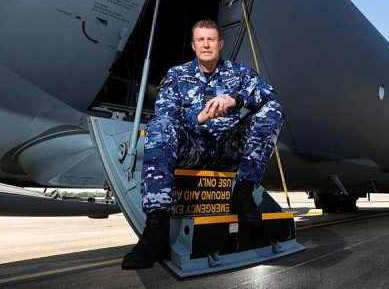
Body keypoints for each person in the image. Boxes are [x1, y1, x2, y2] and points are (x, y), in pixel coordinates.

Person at [121, 19, 284, 270]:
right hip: (194, 148)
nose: (206, 44)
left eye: (211, 40)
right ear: (193, 45)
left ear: (220, 44)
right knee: (160, 125)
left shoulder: (239, 73)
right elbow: (164, 112)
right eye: (200, 40)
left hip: (227, 148)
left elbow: (269, 94)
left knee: (272, 109)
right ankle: (156, 228)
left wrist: (234, 99)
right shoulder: (177, 75)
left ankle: (242, 191)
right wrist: (199, 117)